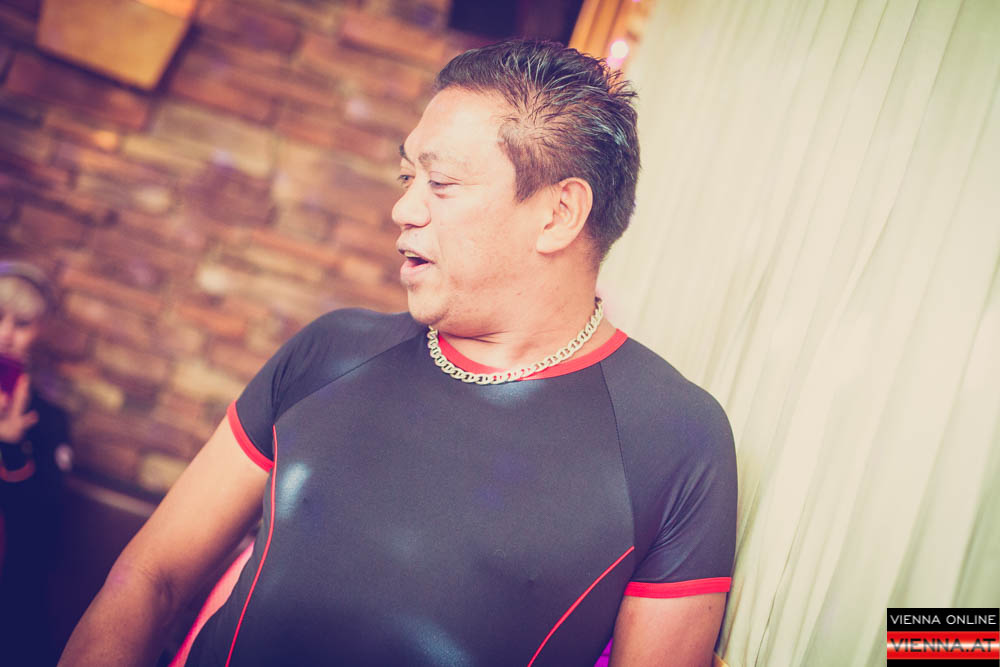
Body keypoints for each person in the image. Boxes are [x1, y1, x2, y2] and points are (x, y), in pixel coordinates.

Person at [61, 39, 737, 666]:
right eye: (405, 176)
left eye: (440, 184)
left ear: (558, 215)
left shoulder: (672, 439)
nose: (404, 209)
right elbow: (150, 576)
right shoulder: (330, 352)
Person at [0, 260, 73, 666]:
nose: (5, 334)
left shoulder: (49, 420)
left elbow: (41, 527)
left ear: (39, 331)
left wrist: (12, 445)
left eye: (21, 323)